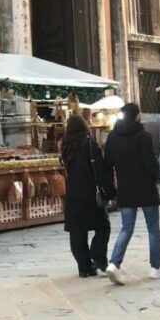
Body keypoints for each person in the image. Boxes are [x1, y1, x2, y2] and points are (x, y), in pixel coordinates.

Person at [104, 102, 160, 285]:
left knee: (127, 227)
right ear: (137, 116)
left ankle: (114, 263)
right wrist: (156, 175)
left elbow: (108, 162)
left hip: (125, 188)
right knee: (153, 228)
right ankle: (156, 267)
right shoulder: (144, 136)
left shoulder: (112, 137)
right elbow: (150, 163)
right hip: (145, 188)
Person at [61, 116, 115, 278]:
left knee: (77, 231)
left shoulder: (66, 146)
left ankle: (84, 267)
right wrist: (111, 192)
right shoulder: (90, 145)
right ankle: (98, 257)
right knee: (103, 227)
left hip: (73, 194)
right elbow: (100, 171)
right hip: (91, 194)